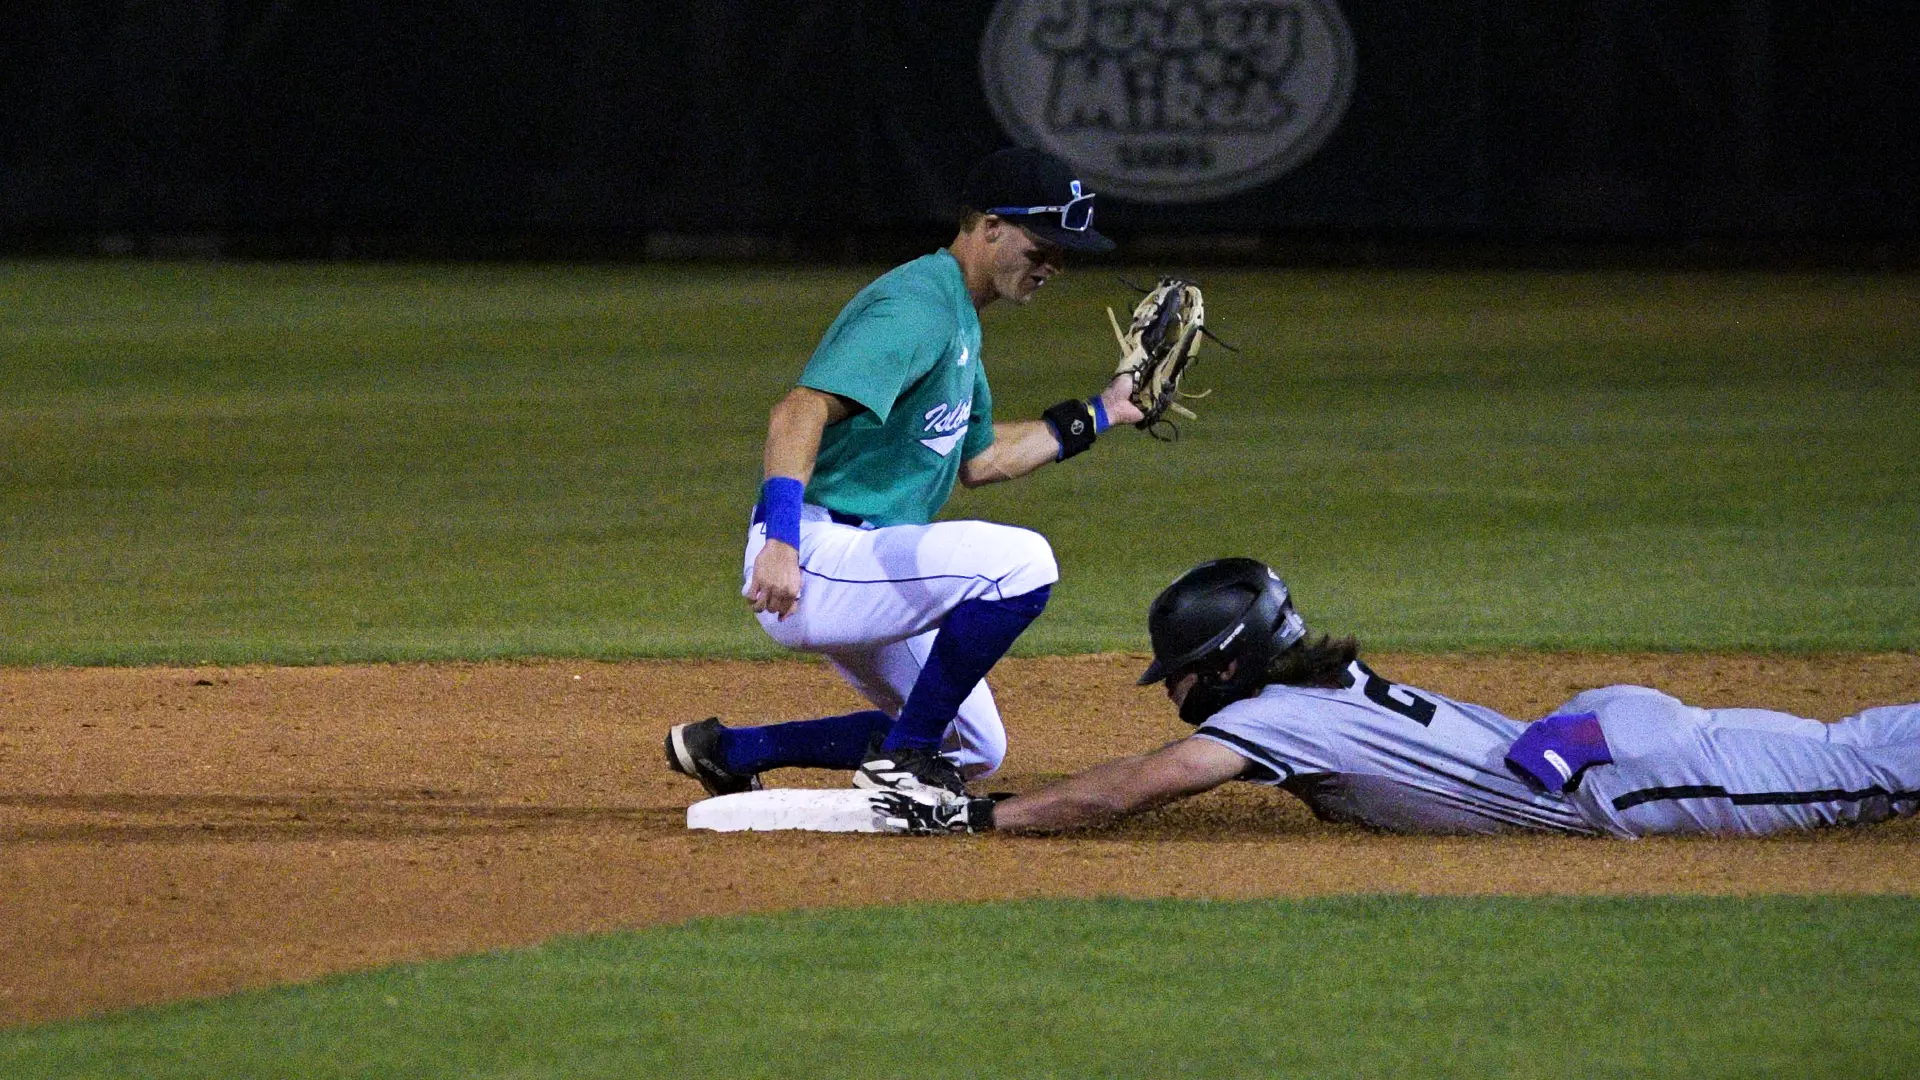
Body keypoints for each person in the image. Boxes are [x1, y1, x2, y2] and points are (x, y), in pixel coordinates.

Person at [666, 146, 1148, 800]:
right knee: (1022, 563)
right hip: (814, 556)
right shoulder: (916, 307)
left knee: (976, 747)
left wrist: (1104, 412)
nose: (1054, 264)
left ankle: (728, 751)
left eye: (1064, 251)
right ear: (989, 227)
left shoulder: (960, 318)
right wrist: (780, 542)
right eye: (1043, 245)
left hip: (864, 560)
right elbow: (796, 412)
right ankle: (904, 758)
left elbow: (980, 459)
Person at [875, 557, 1920, 837]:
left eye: (1185, 671)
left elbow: (1128, 793)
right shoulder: (1326, 679)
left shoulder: (1271, 718)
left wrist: (977, 816)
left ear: (1228, 667)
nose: (1177, 691)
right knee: (1854, 742)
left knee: (1866, 770)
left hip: (1629, 779)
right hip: (1603, 732)